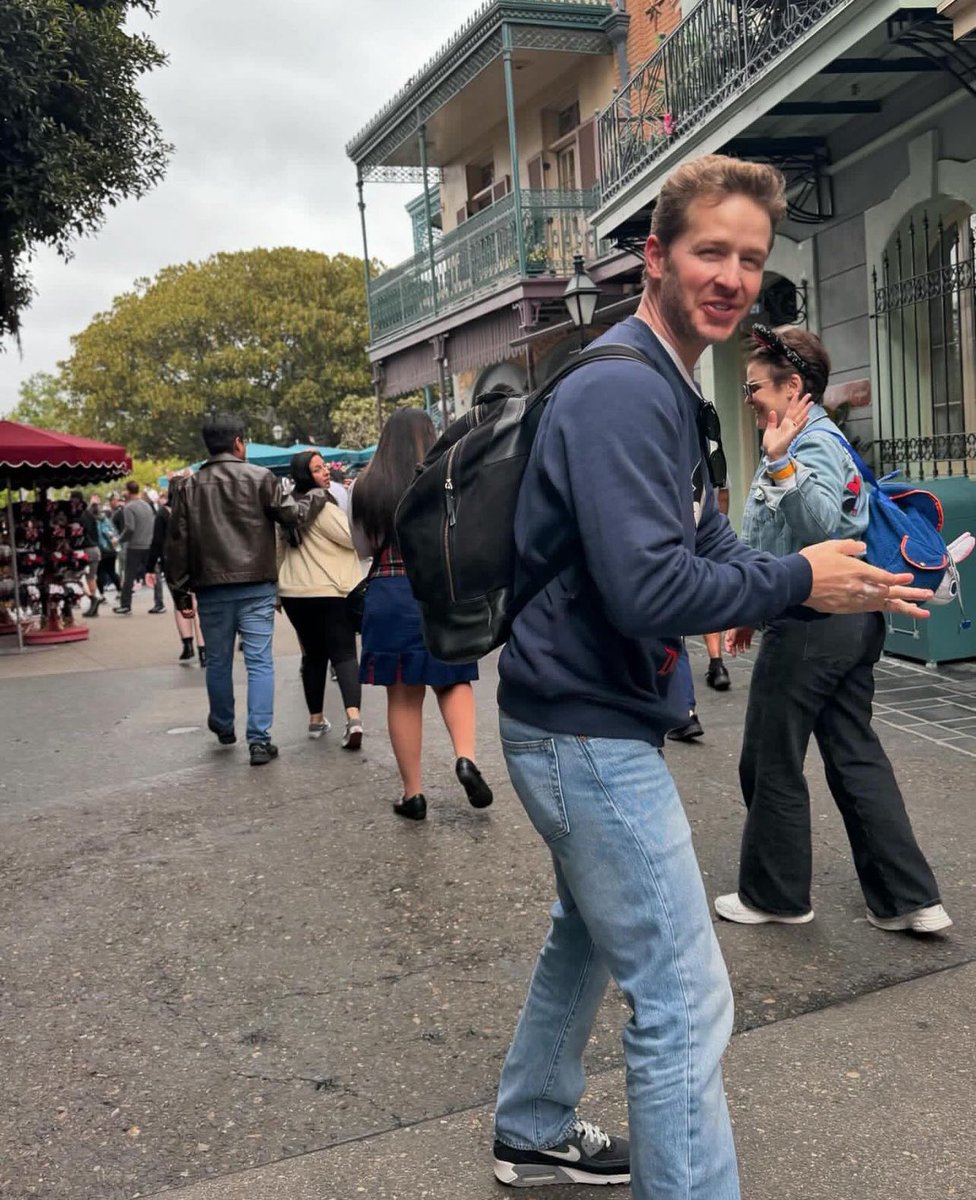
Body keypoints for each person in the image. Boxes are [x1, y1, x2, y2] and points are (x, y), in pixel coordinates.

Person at [490, 155, 932, 1199]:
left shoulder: (659, 380)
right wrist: (792, 580)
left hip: (578, 720)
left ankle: (532, 1125)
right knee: (685, 1000)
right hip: (582, 734)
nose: (732, 276)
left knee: (587, 935)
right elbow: (650, 590)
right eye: (709, 252)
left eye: (749, 256)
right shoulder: (621, 392)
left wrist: (825, 583)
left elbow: (706, 548)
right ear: (655, 257)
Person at [716, 324, 951, 934]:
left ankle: (776, 895)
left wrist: (780, 465)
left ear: (793, 386)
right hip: (841, 624)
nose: (750, 401)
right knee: (853, 755)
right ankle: (909, 899)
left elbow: (827, 531)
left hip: (814, 624)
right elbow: (773, 538)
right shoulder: (814, 439)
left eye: (754, 389)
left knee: (770, 759)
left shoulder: (808, 445)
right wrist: (750, 606)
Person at [350, 407, 493, 820]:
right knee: (454, 680)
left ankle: (413, 795)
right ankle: (465, 759)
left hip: (390, 593)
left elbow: (362, 549)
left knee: (403, 695)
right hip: (440, 590)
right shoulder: (449, 476)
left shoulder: (365, 486)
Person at [165, 413, 304, 766]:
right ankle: (259, 739)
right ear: (239, 442)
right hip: (256, 583)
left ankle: (223, 724)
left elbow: (176, 545)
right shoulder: (261, 478)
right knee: (259, 662)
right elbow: (290, 515)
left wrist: (181, 594)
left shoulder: (188, 487)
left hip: (210, 586)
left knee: (218, 660)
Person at [277, 450, 363, 748]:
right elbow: (352, 539)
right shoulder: (322, 505)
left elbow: (279, 551)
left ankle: (316, 719)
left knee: (312, 655)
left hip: (295, 592)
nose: (325, 472)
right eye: (317, 469)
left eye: (324, 466)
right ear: (305, 475)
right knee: (344, 654)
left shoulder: (287, 508)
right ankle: (353, 719)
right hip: (331, 590)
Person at [146, 492, 206, 667]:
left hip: (173, 564)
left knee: (182, 603)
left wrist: (149, 568)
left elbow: (156, 542)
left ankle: (187, 645)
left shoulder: (163, 514)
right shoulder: (197, 509)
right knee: (198, 603)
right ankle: (204, 650)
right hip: (197, 561)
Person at [114, 481, 155, 615]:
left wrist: (119, 540)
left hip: (135, 545)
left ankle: (126, 605)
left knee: (129, 575)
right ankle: (159, 603)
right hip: (149, 543)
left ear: (127, 491)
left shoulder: (129, 507)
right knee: (154, 573)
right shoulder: (147, 505)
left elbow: (130, 528)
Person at [71, 490, 103, 616]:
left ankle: (92, 598)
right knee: (91, 577)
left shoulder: (79, 516)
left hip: (84, 549)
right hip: (94, 548)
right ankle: (94, 602)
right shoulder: (89, 514)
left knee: (74, 577)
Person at [144, 488, 166, 613]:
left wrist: (150, 566)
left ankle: (160, 603)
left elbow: (157, 539)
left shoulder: (161, 513)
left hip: (166, 553)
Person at [94, 502, 121, 595]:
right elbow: (113, 532)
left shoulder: (93, 522)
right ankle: (119, 591)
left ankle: (102, 594)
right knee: (112, 571)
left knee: (99, 573)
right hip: (111, 550)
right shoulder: (106, 520)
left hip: (100, 550)